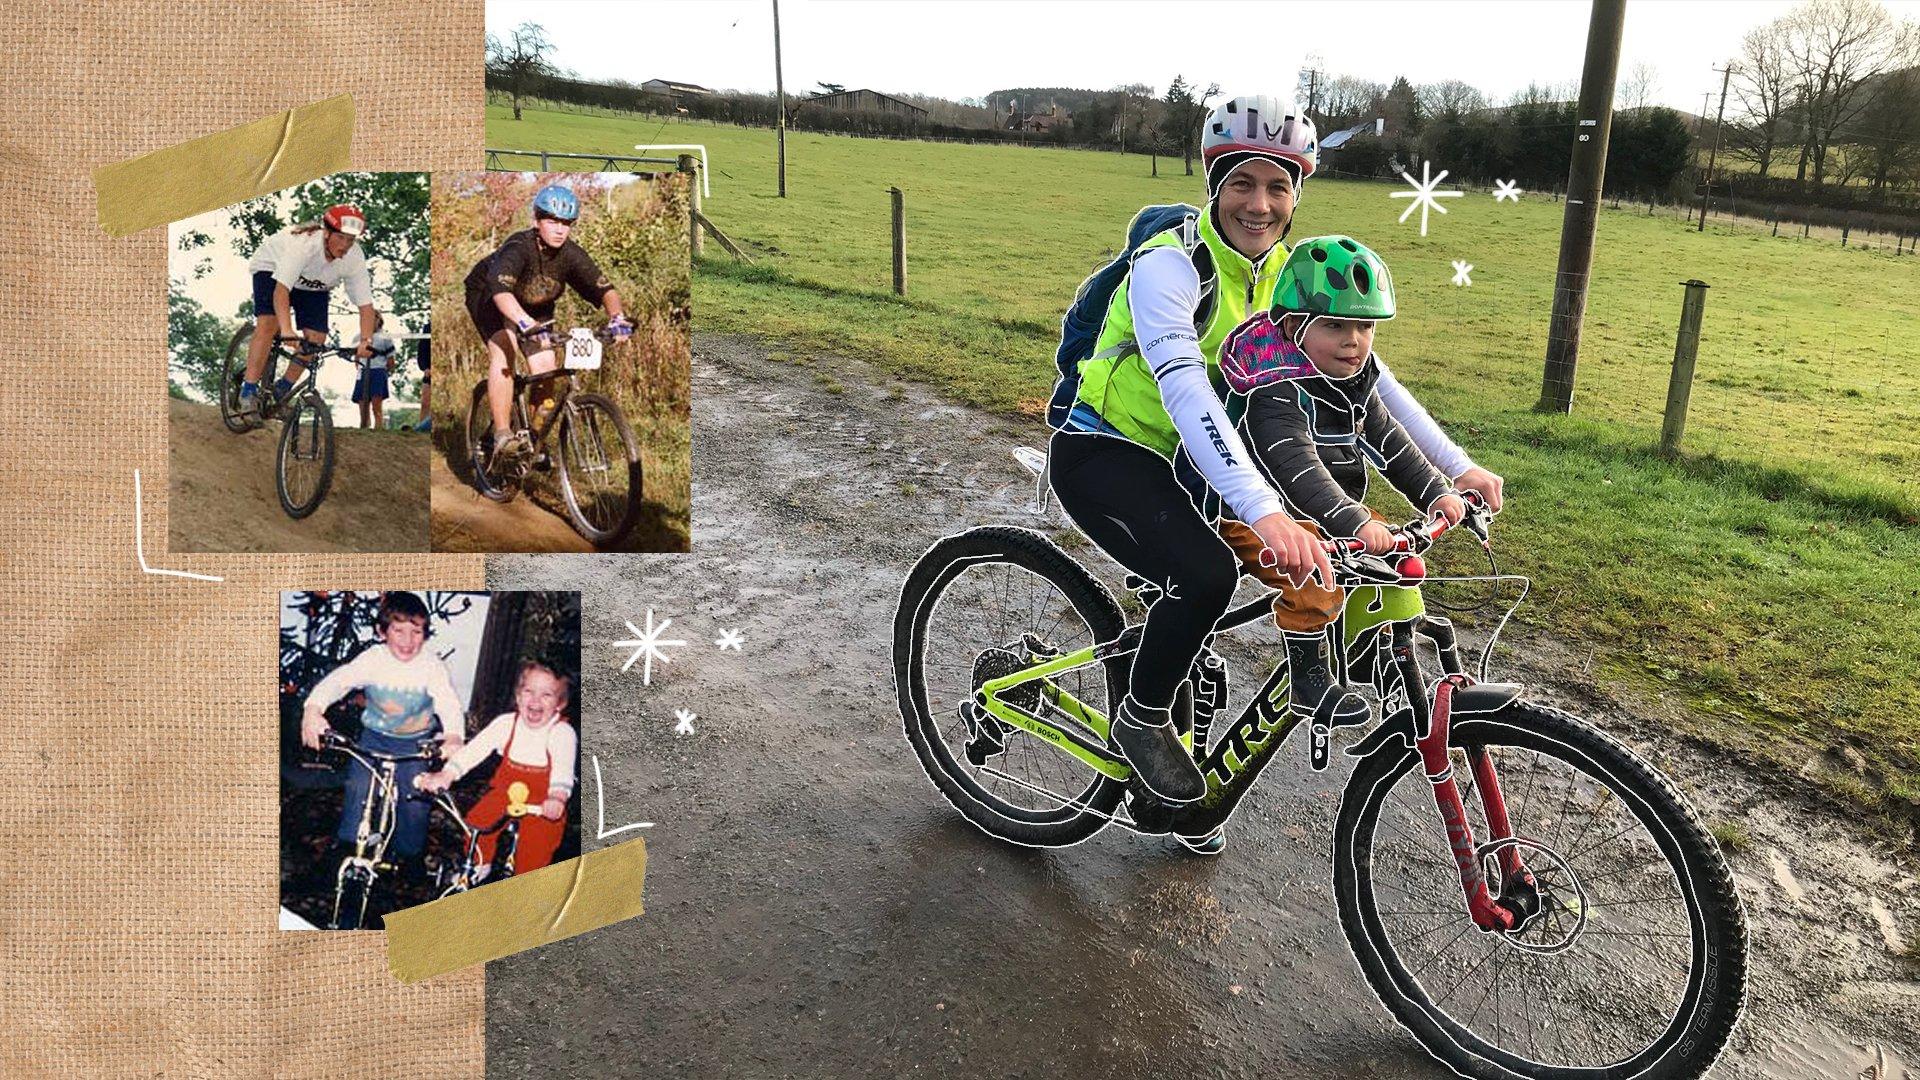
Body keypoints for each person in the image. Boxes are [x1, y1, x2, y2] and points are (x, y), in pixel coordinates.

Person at [1050, 94, 1505, 813]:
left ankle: (1189, 796)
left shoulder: (1292, 274)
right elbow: (1184, 391)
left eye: (1278, 186)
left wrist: (1456, 467)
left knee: (1326, 564)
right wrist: (1265, 511)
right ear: (1213, 183)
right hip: (1111, 450)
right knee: (1203, 576)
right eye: (1242, 182)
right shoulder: (1170, 268)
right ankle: (1140, 719)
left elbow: (1369, 381)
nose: (1259, 205)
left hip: (1204, 468)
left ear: (1297, 193)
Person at [1223, 235, 1466, 633]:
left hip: (1326, 515)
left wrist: (1436, 491)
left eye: (1364, 325)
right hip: (1254, 516)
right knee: (1313, 585)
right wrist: (1353, 521)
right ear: (1293, 326)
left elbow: (1391, 443)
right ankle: (1311, 687)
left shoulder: (1352, 382)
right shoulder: (1275, 390)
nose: (1352, 340)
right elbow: (1297, 469)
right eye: (1334, 325)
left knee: (1392, 564)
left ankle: (1366, 652)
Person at [462, 183, 633, 475]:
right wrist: (524, 324)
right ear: (536, 220)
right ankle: (502, 435)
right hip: (490, 295)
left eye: (566, 223)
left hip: (535, 305)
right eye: (552, 221)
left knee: (545, 369)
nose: (559, 229)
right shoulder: (519, 248)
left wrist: (617, 318)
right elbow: (501, 291)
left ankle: (529, 441)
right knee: (504, 350)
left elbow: (606, 290)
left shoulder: (571, 255)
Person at [301, 592, 466, 884]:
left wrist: (453, 735)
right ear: (382, 631)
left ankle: (410, 854)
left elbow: (448, 702)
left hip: (416, 742)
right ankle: (348, 845)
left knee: (416, 800)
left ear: (425, 635)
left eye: (416, 632)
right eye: (398, 630)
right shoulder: (372, 660)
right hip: (374, 738)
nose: (408, 640)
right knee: (358, 787)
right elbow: (338, 682)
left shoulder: (431, 665)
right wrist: (312, 710)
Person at [415, 661, 577, 879]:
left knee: (535, 849)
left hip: (543, 801)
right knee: (478, 823)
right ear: (518, 696)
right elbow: (474, 751)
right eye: (528, 691)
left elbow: (563, 771)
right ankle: (478, 866)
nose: (535, 700)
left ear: (560, 703)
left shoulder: (561, 733)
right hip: (506, 792)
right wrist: (447, 774)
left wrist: (557, 797)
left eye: (547, 695)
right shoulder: (505, 723)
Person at [236, 204, 381, 424]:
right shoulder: (304, 246)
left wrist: (366, 340)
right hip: (272, 269)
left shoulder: (354, 257)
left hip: (314, 285)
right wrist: (286, 329)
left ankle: (280, 392)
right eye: (341, 238)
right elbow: (281, 290)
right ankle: (247, 391)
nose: (345, 246)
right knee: (269, 324)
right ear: (327, 233)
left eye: (351, 240)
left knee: (316, 340)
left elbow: (366, 306)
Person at [351, 328, 394, 429]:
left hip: (378, 370)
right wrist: (360, 367)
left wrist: (384, 372)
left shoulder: (385, 337)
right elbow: (356, 357)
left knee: (376, 400)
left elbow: (390, 359)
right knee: (362, 400)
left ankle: (378, 426)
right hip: (363, 370)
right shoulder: (358, 337)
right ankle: (364, 425)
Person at [413, 328, 432, 432]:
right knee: (425, 402)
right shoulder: (428, 327)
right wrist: (425, 367)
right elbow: (422, 350)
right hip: (429, 371)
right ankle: (420, 430)